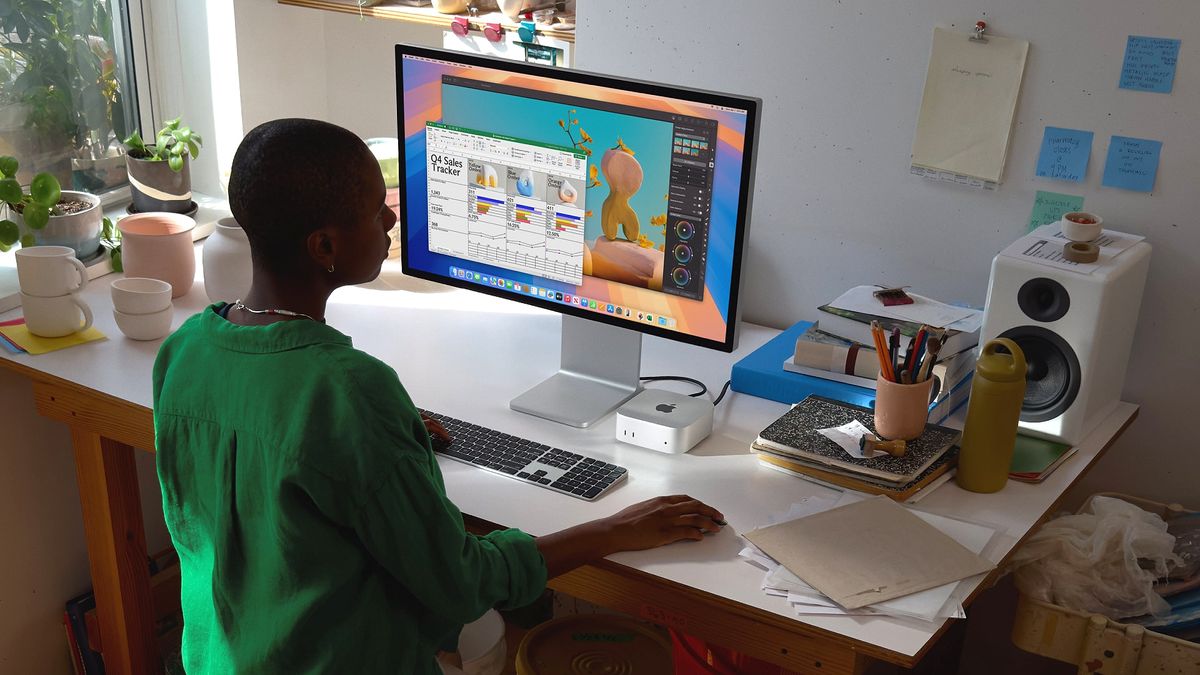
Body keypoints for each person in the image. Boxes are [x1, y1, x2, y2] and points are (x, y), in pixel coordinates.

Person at [152, 118, 725, 674]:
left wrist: (388, 436)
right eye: (375, 211)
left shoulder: (184, 352)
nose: (390, 218)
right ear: (324, 244)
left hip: (220, 658)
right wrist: (613, 530)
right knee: (486, 633)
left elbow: (271, 460)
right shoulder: (350, 392)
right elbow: (461, 582)